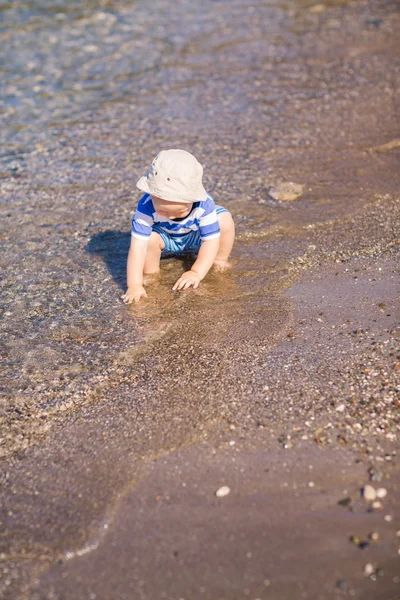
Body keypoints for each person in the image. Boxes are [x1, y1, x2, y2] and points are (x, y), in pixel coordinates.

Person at [122, 149, 235, 304]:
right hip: (166, 239)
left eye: (180, 212)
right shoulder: (146, 205)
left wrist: (196, 272)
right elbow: (137, 247)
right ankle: (152, 275)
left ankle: (220, 260)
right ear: (151, 195)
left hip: (195, 237)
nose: (171, 217)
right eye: (162, 211)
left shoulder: (204, 204)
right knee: (149, 239)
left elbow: (210, 241)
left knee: (224, 219)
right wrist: (134, 285)